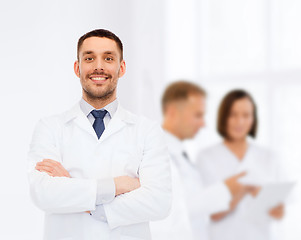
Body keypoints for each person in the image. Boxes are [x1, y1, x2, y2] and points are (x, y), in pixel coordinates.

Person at [27, 29, 171, 240]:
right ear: (77, 68)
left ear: (121, 68)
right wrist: (119, 185)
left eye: (108, 58)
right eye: (89, 58)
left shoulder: (146, 131)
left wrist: (80, 195)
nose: (98, 66)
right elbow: (43, 194)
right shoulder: (50, 127)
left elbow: (159, 202)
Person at [150, 81, 248, 240]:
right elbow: (172, 211)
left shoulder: (180, 154)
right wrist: (225, 189)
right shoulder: (155, 153)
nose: (203, 124)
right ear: (173, 112)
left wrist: (232, 195)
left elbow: (195, 206)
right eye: (198, 115)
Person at [196, 89, 285, 240]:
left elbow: (279, 213)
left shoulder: (269, 157)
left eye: (246, 115)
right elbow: (213, 213)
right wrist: (244, 189)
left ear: (253, 119)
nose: (240, 122)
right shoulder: (206, 157)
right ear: (224, 117)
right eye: (233, 115)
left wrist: (269, 202)